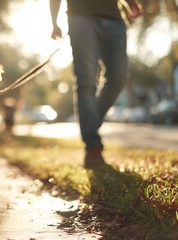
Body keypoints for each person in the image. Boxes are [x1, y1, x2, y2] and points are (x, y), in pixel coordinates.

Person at [49, 0, 142, 168]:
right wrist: (54, 22)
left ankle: (90, 125)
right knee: (86, 82)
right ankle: (92, 146)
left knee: (118, 78)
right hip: (81, 16)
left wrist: (131, 2)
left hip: (114, 17)